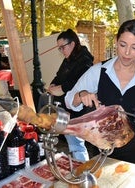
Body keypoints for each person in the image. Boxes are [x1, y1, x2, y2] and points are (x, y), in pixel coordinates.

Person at [65, 19, 135, 178]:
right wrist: (81, 94)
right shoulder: (98, 71)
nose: (127, 53)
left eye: (134, 47)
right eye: (122, 45)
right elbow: (69, 99)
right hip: (104, 150)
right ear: (116, 42)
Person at [38, 29, 94, 161]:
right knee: (73, 143)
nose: (61, 51)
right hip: (64, 107)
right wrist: (53, 85)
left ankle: (82, 169)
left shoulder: (85, 60)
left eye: (62, 47)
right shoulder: (69, 58)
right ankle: (79, 167)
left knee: (77, 145)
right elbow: (59, 76)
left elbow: (80, 82)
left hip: (76, 109)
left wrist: (62, 88)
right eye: (59, 48)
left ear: (72, 44)